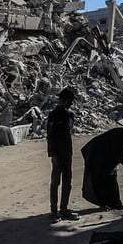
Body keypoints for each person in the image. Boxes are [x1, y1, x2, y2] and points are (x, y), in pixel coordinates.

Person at [80, 126, 123, 210]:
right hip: (96, 155)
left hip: (108, 157)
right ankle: (102, 204)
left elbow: (118, 155)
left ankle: (115, 204)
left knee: (112, 179)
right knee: (99, 179)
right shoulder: (119, 135)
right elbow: (117, 155)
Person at [47, 87, 77, 222]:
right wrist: (52, 155)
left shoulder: (70, 114)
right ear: (63, 100)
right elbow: (50, 136)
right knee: (55, 182)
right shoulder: (54, 115)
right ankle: (53, 212)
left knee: (67, 181)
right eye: (69, 101)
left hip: (67, 152)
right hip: (57, 154)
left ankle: (64, 209)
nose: (71, 104)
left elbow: (69, 133)